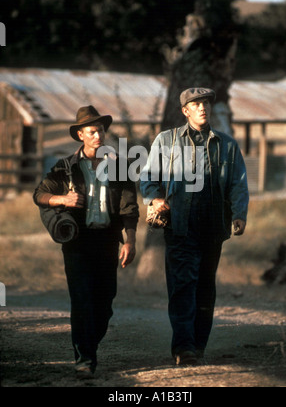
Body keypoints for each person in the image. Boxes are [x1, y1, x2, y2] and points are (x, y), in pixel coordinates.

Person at [140, 87, 249, 365]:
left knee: (204, 288)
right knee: (182, 285)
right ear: (185, 111)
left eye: (206, 104)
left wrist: (239, 213)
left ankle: (198, 345)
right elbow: (148, 178)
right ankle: (184, 347)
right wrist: (155, 198)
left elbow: (238, 183)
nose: (202, 108)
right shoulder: (167, 140)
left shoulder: (227, 145)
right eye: (196, 104)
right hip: (180, 226)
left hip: (213, 228)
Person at [33, 105, 139, 377]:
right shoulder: (64, 167)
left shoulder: (119, 166)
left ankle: (88, 346)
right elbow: (40, 194)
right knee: (82, 300)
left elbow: (129, 208)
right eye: (92, 131)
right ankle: (84, 360)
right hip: (77, 242)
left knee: (104, 303)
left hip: (107, 241)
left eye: (101, 130)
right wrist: (62, 199)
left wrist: (130, 242)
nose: (98, 136)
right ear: (80, 135)